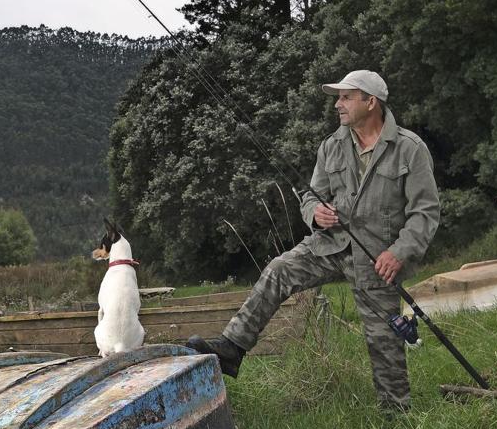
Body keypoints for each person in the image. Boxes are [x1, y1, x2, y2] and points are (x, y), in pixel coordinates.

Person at [187, 69, 440, 411]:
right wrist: (315, 214)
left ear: (371, 101)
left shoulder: (410, 149)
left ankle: (396, 414)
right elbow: (311, 195)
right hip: (330, 245)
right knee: (279, 269)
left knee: (383, 341)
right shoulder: (331, 146)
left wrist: (399, 253)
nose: (338, 104)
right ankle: (232, 348)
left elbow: (425, 212)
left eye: (346, 96)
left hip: (377, 260)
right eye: (338, 97)